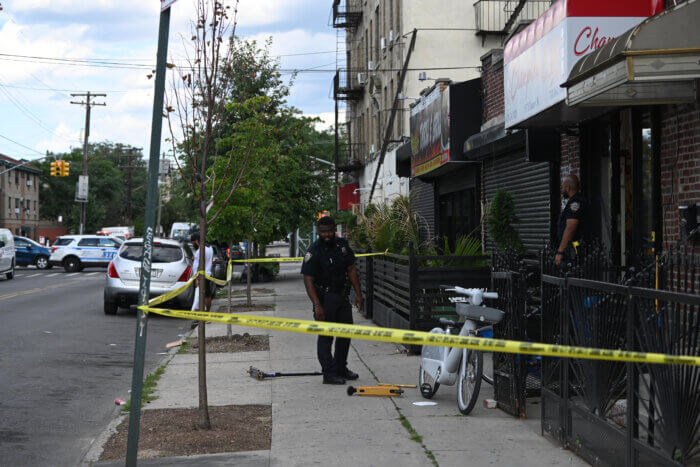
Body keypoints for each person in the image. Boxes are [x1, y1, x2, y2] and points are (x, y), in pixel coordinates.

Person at [301, 216, 363, 385]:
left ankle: (341, 367)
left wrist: (358, 294)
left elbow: (351, 270)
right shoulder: (314, 251)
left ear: (334, 229)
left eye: (329, 231)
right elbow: (308, 280)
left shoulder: (342, 245)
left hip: (342, 296)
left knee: (345, 334)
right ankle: (329, 373)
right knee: (326, 336)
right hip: (324, 298)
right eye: (322, 232)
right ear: (318, 232)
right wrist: (317, 305)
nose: (326, 234)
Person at [556, 173, 586, 266]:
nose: (561, 191)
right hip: (572, 248)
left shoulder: (575, 202)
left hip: (574, 248)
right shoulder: (574, 201)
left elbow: (571, 228)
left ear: (567, 188)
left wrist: (560, 251)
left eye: (562, 187)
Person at [190, 232, 215, 311]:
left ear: (197, 241)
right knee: (207, 295)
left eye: (193, 243)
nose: (194, 245)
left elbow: (200, 265)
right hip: (208, 274)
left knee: (202, 296)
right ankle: (207, 312)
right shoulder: (210, 248)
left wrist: (197, 278)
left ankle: (202, 315)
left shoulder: (200, 250)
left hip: (201, 276)